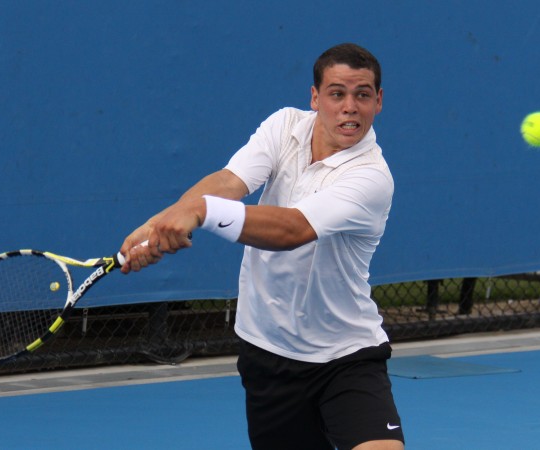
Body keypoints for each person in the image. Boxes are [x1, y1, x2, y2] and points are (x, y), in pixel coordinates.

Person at [120, 43, 404, 450]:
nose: (350, 107)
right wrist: (158, 224)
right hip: (268, 352)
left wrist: (199, 211)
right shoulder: (284, 126)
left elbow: (292, 229)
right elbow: (229, 181)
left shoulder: (371, 177)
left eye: (362, 95)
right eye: (337, 93)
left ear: (378, 101)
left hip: (346, 355)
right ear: (315, 97)